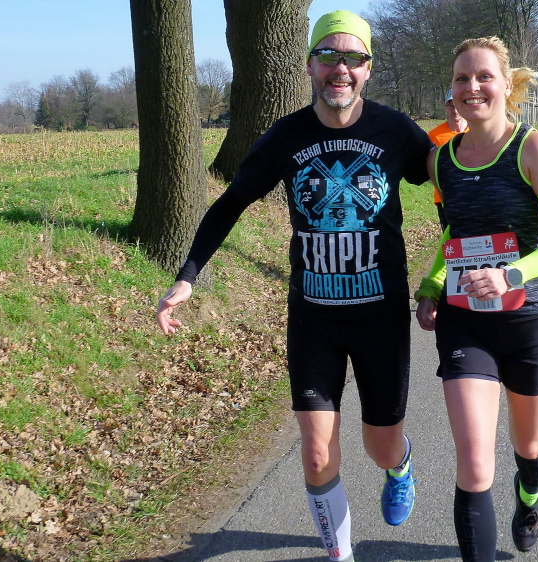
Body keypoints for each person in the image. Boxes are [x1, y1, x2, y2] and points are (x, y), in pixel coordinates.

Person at [156, 10, 433, 562]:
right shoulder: (286, 137)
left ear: (368, 69)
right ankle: (341, 555)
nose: (340, 68)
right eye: (328, 55)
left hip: (381, 317)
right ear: (309, 64)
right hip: (314, 319)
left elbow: (452, 179)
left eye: (353, 57)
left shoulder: (395, 130)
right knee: (316, 453)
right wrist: (188, 276)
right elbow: (231, 203)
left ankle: (400, 466)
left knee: (380, 446)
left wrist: (458, 271)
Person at [413, 36, 538, 561]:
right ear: (452, 89)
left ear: (506, 85)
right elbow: (457, 234)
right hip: (467, 322)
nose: (472, 87)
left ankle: (528, 500)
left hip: (531, 321)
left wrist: (511, 275)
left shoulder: (534, 148)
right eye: (462, 78)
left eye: (484, 76)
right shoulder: (442, 161)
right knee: (474, 463)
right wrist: (432, 284)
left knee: (528, 446)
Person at [428, 89, 470, 229]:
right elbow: (428, 170)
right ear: (446, 107)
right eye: (451, 106)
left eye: (457, 105)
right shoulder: (434, 136)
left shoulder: (476, 132)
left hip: (476, 193)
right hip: (446, 197)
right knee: (452, 238)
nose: (455, 110)